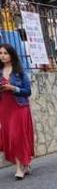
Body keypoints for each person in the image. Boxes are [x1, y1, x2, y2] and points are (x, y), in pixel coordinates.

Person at [0, 42, 35, 180]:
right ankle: (25, 164)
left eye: (5, 53)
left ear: (11, 55)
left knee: (17, 136)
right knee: (10, 137)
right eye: (0, 53)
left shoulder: (19, 72)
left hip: (19, 107)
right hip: (5, 108)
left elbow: (28, 91)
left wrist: (14, 88)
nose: (2, 56)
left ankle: (19, 167)